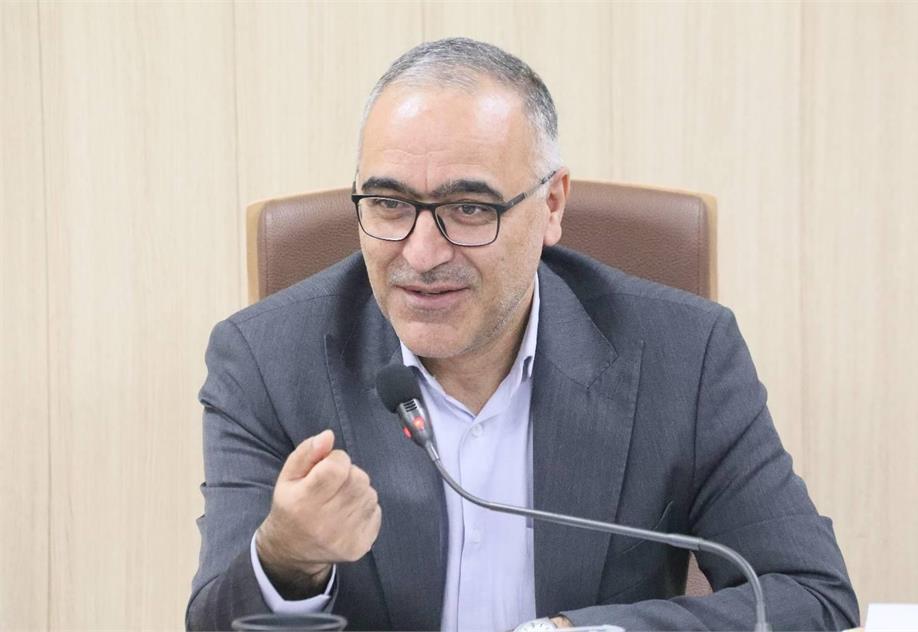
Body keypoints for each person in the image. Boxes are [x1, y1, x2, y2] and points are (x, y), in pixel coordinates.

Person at [187, 38, 858, 631]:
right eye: (389, 204)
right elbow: (216, 623)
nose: (421, 253)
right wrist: (287, 560)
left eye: (468, 208)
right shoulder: (266, 361)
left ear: (552, 206)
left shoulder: (685, 355)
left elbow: (810, 594)